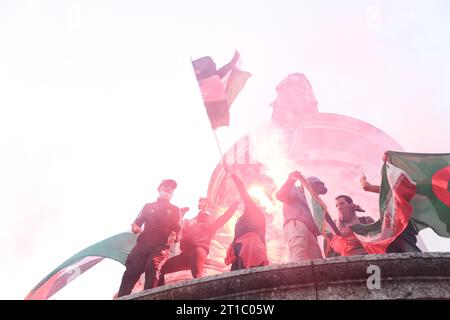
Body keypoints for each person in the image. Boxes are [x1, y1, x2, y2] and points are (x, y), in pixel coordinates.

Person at [117, 179, 181, 297]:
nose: (168, 189)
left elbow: (178, 230)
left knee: (153, 266)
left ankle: (148, 297)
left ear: (173, 193)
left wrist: (175, 236)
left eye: (171, 188)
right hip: (143, 244)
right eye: (166, 186)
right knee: (131, 270)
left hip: (160, 246)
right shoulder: (148, 206)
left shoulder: (175, 210)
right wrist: (135, 228)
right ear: (159, 188)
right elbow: (137, 224)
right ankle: (121, 297)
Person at [158, 199, 239, 285]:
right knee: (164, 267)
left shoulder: (209, 227)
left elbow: (223, 219)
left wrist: (233, 208)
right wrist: (180, 216)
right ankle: (159, 291)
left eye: (206, 216)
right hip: (186, 253)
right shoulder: (191, 228)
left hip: (198, 250)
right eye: (202, 215)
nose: (204, 216)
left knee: (196, 273)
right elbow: (178, 231)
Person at [360, 173, 421, 253]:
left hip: (399, 221)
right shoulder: (402, 188)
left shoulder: (395, 189)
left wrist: (362, 180)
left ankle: (423, 262)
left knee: (406, 246)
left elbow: (367, 187)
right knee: (401, 246)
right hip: (404, 221)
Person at [224, 166, 269, 270]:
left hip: (248, 249)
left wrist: (233, 174)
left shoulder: (255, 212)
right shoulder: (246, 216)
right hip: (242, 249)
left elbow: (242, 191)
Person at [276, 171, 327, 262]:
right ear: (310, 184)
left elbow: (319, 229)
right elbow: (281, 196)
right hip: (296, 223)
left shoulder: (313, 204)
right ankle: (294, 273)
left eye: (319, 192)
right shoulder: (296, 190)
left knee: (316, 257)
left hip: (310, 231)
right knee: (298, 249)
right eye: (317, 189)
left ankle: (318, 275)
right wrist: (290, 180)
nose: (317, 193)